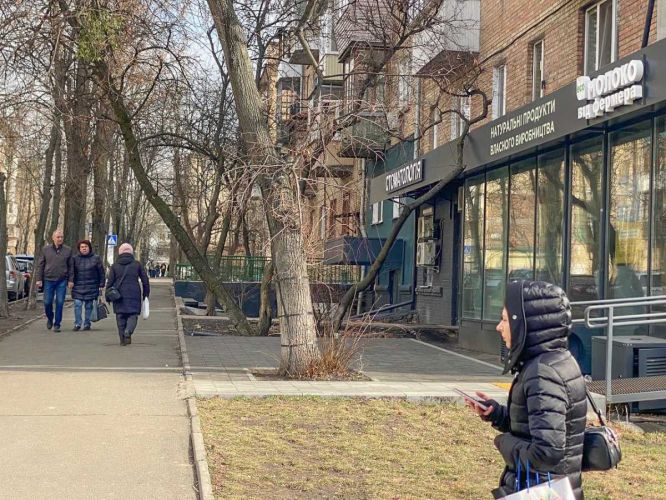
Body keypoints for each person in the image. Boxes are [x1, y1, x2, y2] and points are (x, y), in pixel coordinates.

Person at [466, 281, 587, 499]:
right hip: (548, 487)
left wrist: (504, 443)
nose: (499, 327)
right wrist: (496, 414)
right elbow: (537, 425)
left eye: (505, 320)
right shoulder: (557, 360)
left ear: (526, 324)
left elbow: (547, 452)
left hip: (542, 491)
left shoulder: (543, 373)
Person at [106, 243, 150, 346]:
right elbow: (145, 280)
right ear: (131, 252)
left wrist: (107, 296)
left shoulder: (114, 266)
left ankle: (122, 340)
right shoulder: (137, 264)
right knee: (133, 315)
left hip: (118, 295)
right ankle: (128, 331)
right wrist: (146, 294)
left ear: (120, 252)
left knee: (120, 316)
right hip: (134, 293)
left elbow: (110, 282)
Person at [35, 229, 74, 332]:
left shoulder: (68, 250)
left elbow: (71, 266)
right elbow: (41, 265)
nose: (60, 239)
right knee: (47, 302)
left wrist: (71, 280)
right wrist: (39, 279)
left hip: (62, 280)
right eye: (58, 237)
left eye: (61, 237)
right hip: (49, 279)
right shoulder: (46, 249)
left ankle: (57, 324)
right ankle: (50, 317)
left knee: (60, 302)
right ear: (53, 238)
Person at [71, 240, 105, 331]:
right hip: (78, 286)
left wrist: (102, 284)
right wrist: (70, 281)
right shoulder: (74, 259)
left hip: (92, 286)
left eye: (86, 247)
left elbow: (101, 272)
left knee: (89, 306)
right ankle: (78, 323)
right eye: (82, 247)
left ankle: (87, 323)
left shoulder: (96, 258)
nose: (84, 248)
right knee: (77, 304)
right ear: (79, 249)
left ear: (89, 248)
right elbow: (71, 272)